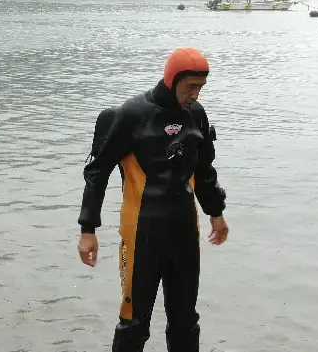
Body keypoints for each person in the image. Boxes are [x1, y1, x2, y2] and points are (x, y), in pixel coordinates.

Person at [77, 47, 229, 352]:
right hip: (142, 235)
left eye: (201, 87)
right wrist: (88, 229)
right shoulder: (133, 115)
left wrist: (216, 213)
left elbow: (203, 169)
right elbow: (98, 171)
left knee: (185, 322)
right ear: (172, 80)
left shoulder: (195, 115)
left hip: (186, 233)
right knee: (134, 324)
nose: (196, 95)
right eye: (190, 87)